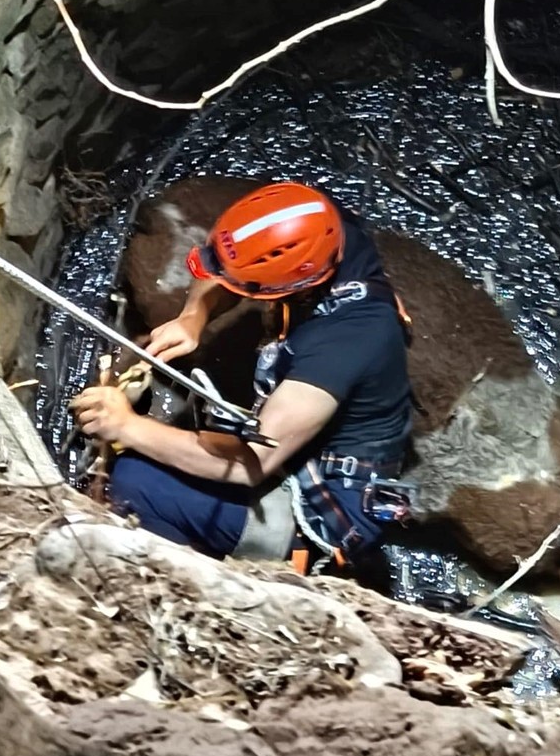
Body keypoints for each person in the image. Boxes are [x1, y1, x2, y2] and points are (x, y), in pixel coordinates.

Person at [73, 182, 412, 568]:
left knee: (137, 481)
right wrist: (193, 317)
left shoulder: (343, 343)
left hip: (326, 503)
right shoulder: (318, 226)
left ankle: (201, 578)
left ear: (296, 282)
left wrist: (125, 426)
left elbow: (251, 463)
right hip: (297, 441)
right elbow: (226, 268)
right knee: (180, 441)